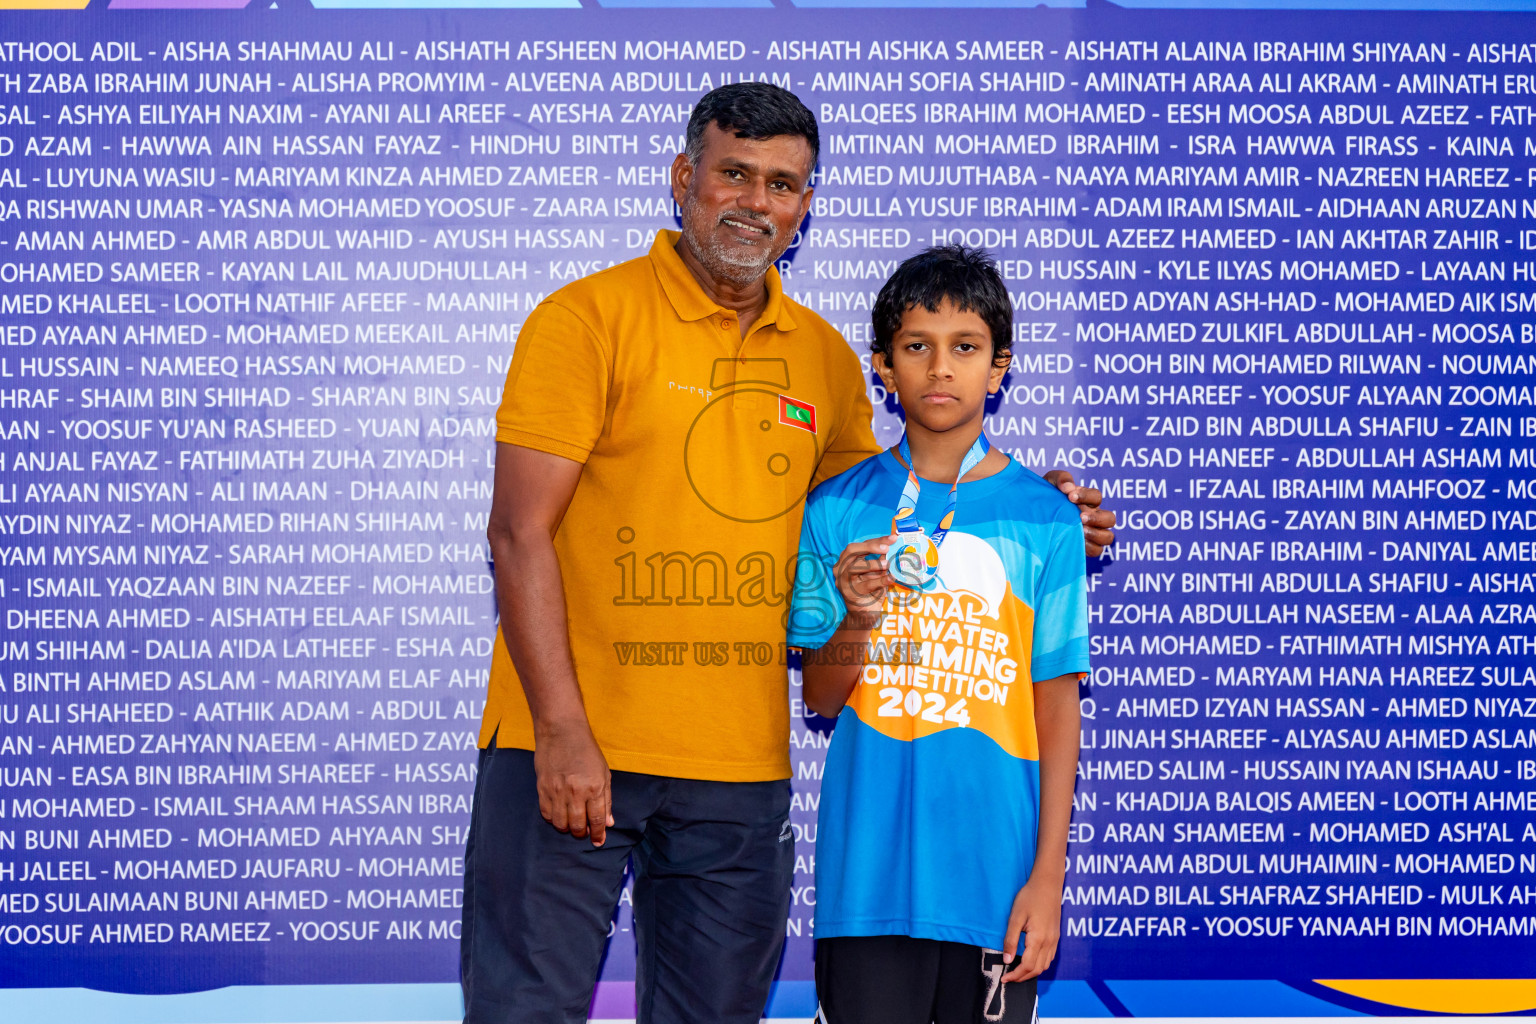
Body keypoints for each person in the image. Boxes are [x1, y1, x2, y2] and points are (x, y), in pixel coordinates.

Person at [462, 83, 1112, 1024]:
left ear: (806, 205)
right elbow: (517, 532)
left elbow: (902, 500)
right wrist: (560, 730)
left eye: (783, 183)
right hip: (570, 752)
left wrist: (1040, 507)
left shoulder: (823, 359)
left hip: (737, 776)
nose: (756, 201)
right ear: (684, 178)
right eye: (734, 173)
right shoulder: (585, 319)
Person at [788, 246, 1087, 1024]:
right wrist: (857, 616)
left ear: (1000, 367)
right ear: (884, 367)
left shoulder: (1044, 518)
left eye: (966, 347)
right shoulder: (837, 509)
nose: (940, 368)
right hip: (867, 887)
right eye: (917, 347)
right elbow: (820, 695)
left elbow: (1055, 706)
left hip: (997, 885)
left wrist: (1047, 878)